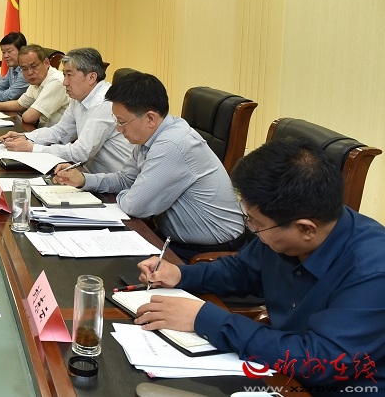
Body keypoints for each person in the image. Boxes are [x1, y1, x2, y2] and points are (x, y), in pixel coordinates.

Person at [135, 138, 385, 389]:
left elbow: (320, 361)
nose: (252, 229)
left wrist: (206, 319)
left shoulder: (372, 271)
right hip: (277, 369)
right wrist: (182, 275)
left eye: (257, 224)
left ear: (306, 229)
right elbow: (243, 270)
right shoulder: (283, 232)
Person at [53, 71, 245, 259]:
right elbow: (125, 179)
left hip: (207, 252)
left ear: (150, 118)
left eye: (122, 122)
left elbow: (135, 206)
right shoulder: (152, 136)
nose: (119, 129)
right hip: (171, 239)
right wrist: (84, 180)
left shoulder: (172, 144)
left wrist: (131, 193)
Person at [0, 47, 131, 174]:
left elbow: (81, 152)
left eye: (69, 75)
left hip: (112, 182)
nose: (64, 82)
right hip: (89, 173)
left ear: (91, 77)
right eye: (64, 75)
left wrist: (32, 148)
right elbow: (61, 132)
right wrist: (25, 137)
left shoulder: (103, 102)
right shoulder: (79, 96)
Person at [0, 45, 69, 126]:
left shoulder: (56, 81)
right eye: (24, 69)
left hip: (57, 135)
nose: (30, 72)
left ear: (46, 63)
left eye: (34, 66)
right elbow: (20, 104)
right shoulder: (37, 80)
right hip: (44, 132)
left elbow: (28, 118)